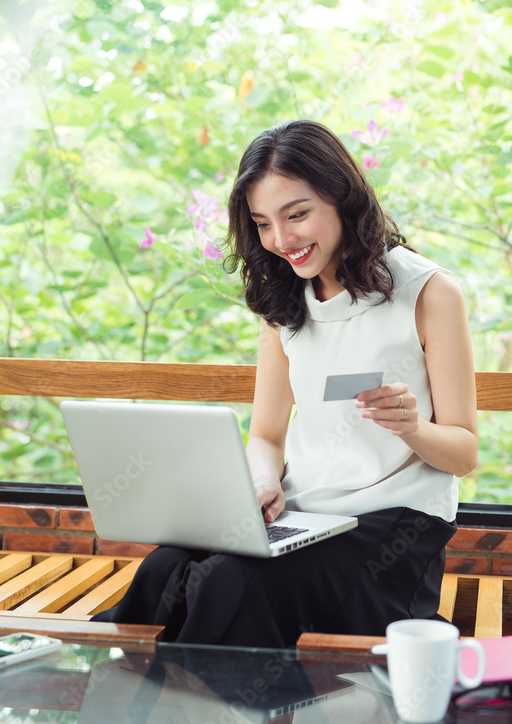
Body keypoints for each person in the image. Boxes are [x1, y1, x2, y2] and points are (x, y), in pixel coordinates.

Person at [91, 119, 478, 646]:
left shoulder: (430, 292)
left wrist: (411, 427)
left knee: (235, 583)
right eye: (263, 224)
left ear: (343, 199)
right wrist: (263, 483)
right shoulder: (283, 304)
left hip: (393, 525)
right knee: (164, 569)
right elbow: (267, 435)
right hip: (304, 516)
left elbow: (463, 455)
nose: (281, 240)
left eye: (297, 215)